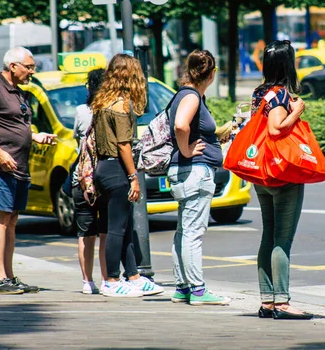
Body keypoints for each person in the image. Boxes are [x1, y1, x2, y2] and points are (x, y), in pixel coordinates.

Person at [0, 46, 57, 294]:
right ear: (13, 66)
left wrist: (36, 136)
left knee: (12, 219)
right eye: (29, 67)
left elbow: (13, 125)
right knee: (1, 217)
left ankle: (8, 276)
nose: (32, 71)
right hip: (0, 166)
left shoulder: (18, 92)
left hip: (19, 166)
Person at [91, 53, 164, 298]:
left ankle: (133, 276)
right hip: (116, 169)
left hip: (104, 167)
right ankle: (111, 280)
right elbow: (123, 145)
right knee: (116, 229)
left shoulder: (103, 100)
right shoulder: (121, 104)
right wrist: (134, 177)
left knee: (125, 225)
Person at [250, 40, 313, 320]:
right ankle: (282, 302)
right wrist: (297, 112)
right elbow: (276, 128)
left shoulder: (258, 93)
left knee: (268, 235)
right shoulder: (279, 95)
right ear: (289, 64)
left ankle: (267, 300)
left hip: (261, 174)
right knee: (282, 240)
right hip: (282, 174)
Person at [167, 50, 231, 306]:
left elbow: (187, 127)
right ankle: (198, 290)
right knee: (193, 232)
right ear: (212, 73)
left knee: (183, 231)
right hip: (195, 170)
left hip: (185, 171)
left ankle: (182, 287)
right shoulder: (192, 96)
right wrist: (187, 150)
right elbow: (181, 126)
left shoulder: (183, 94)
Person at [72, 68, 108, 294]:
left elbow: (77, 137)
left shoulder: (81, 111)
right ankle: (107, 279)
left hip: (82, 180)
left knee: (85, 233)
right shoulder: (110, 110)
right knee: (105, 232)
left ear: (89, 87)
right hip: (104, 178)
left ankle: (88, 282)